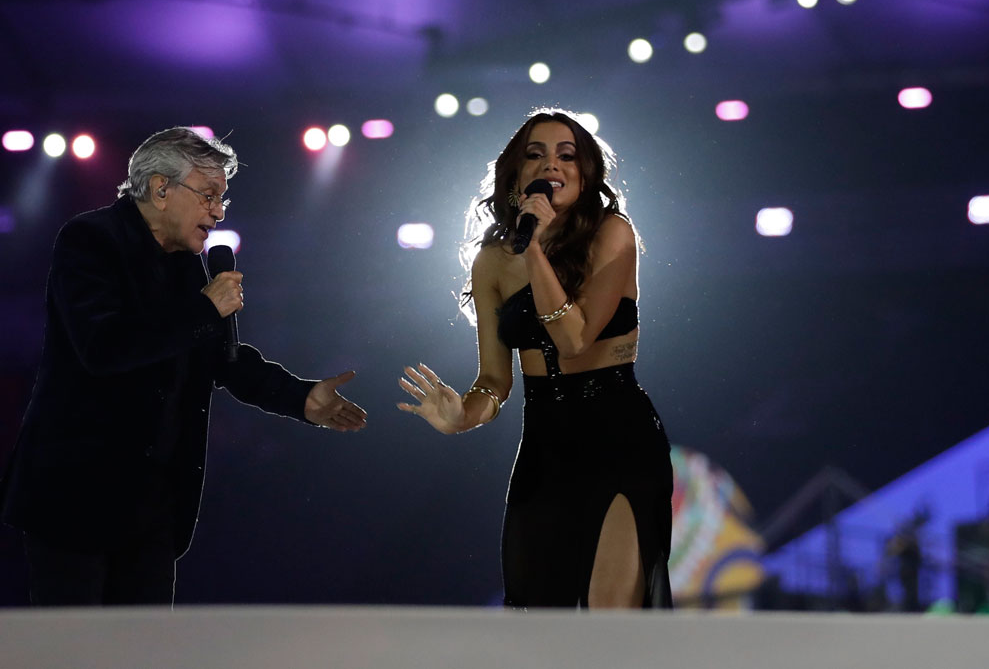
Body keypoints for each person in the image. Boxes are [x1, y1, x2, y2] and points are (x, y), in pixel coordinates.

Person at [0, 127, 368, 606]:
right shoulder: (90, 240)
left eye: (223, 200)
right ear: (160, 188)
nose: (217, 212)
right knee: (75, 652)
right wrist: (202, 310)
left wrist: (300, 396)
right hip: (77, 498)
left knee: (148, 652)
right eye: (209, 196)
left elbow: (224, 360)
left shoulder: (183, 265)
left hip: (153, 504)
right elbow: (104, 346)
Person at [397, 109, 672, 609]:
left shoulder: (613, 234)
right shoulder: (492, 262)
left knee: (611, 628)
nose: (552, 165)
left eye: (567, 155)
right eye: (536, 155)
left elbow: (573, 339)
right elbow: (494, 380)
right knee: (539, 623)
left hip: (618, 437)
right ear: (516, 175)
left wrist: (536, 249)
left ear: (586, 174)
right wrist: (463, 415)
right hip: (545, 445)